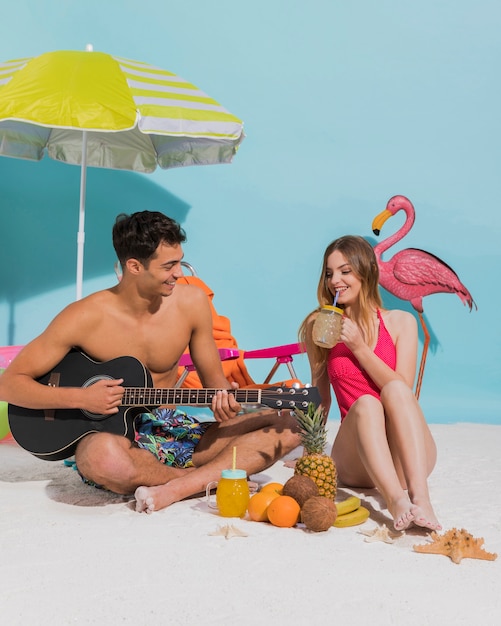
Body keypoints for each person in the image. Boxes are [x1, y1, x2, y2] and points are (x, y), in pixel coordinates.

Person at [0, 211, 300, 513]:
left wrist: (225, 401)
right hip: (114, 442)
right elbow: (9, 384)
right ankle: (196, 480)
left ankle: (180, 486)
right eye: (168, 265)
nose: (179, 273)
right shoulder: (83, 316)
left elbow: (215, 387)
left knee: (290, 426)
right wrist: (81, 397)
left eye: (180, 261)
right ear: (134, 266)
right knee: (102, 457)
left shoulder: (192, 303)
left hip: (173, 429)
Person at [299, 235, 440, 531]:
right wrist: (310, 455)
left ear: (367, 272)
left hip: (408, 457)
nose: (335, 280)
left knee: (397, 388)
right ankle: (395, 500)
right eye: (329, 273)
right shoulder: (320, 326)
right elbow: (320, 398)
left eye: (345, 271)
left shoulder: (402, 322)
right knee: (366, 403)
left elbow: (404, 392)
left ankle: (421, 498)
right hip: (358, 457)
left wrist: (360, 348)